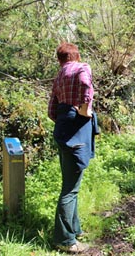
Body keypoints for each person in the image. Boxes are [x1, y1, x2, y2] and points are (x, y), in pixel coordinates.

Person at [48, 42, 97, 254]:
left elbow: (51, 109)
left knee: (71, 181)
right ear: (75, 55)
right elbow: (86, 85)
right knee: (70, 188)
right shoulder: (81, 67)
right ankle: (64, 239)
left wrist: (63, 118)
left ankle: (74, 228)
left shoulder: (59, 76)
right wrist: (85, 109)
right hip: (77, 126)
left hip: (63, 127)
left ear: (60, 59)